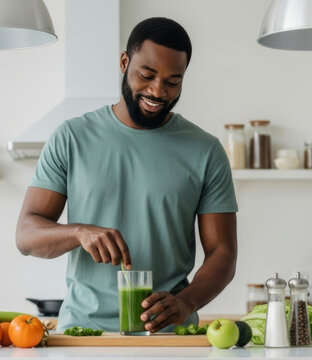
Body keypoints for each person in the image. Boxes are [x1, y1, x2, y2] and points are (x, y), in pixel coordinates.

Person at [16, 17, 237, 333]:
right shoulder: (71, 137)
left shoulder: (206, 150)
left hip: (169, 339)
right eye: (147, 75)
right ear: (124, 62)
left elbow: (223, 254)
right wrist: (79, 232)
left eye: (173, 81)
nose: (158, 91)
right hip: (83, 335)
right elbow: (26, 235)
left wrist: (186, 302)